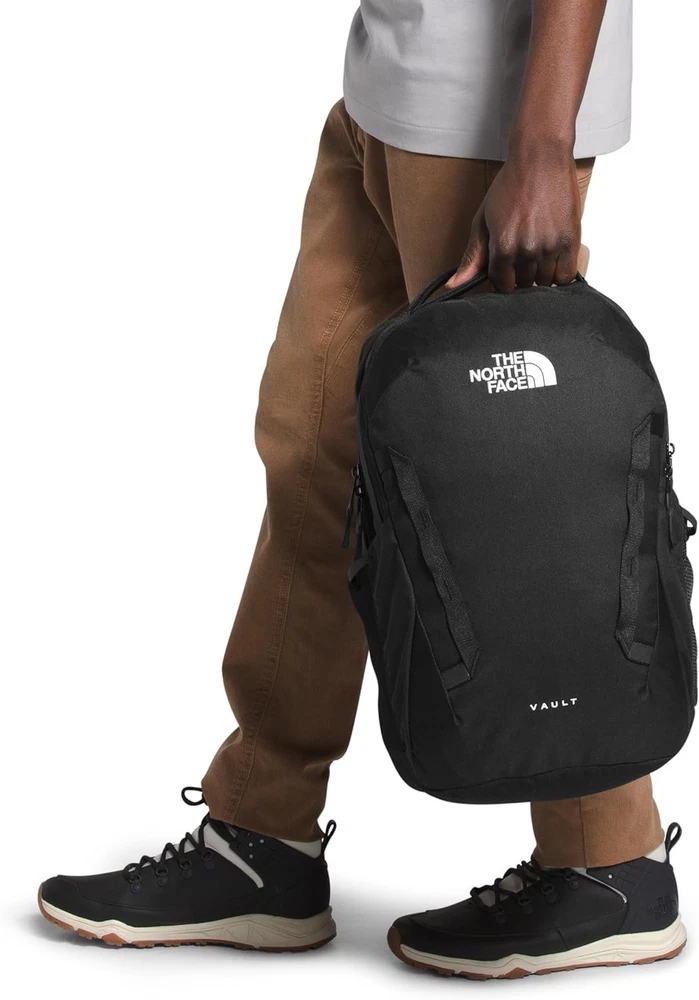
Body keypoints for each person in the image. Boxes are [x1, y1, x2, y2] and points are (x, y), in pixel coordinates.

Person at [38, 0, 687, 979]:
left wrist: (543, 146)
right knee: (315, 456)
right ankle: (263, 838)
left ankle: (608, 861)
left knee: (507, 494)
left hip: (489, 120)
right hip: (388, 90)